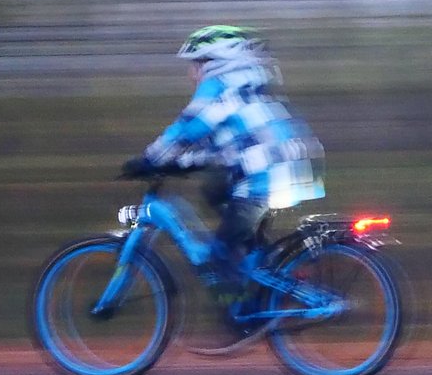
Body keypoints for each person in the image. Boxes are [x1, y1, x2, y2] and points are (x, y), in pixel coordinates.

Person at [122, 25, 326, 351]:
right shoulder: (250, 86)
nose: (192, 74)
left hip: (263, 180)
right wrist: (182, 164)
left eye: (195, 64)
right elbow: (228, 146)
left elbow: (187, 128)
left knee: (218, 255)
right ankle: (269, 275)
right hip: (288, 172)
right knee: (215, 191)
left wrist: (149, 159)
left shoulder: (219, 88)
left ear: (214, 61)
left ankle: (242, 317)